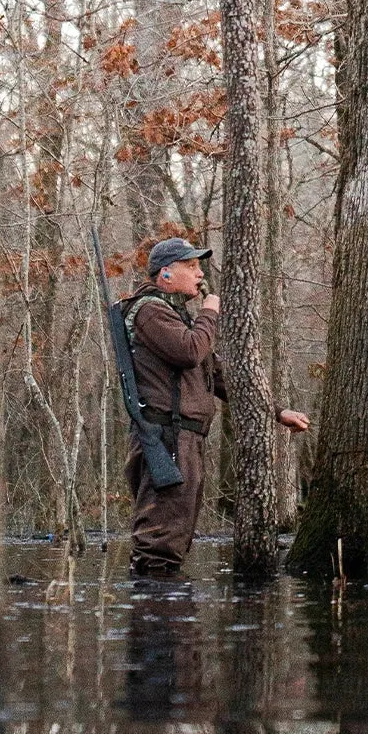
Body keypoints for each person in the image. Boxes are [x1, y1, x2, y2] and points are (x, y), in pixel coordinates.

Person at [124, 236, 310, 574]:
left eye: (199, 266)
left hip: (183, 439)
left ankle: (166, 616)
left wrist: (278, 412)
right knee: (160, 544)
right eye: (190, 266)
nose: (199, 273)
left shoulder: (175, 316)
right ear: (165, 273)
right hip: (165, 438)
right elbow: (191, 350)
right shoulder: (150, 311)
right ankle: (156, 618)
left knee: (174, 539)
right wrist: (210, 313)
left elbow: (220, 378)